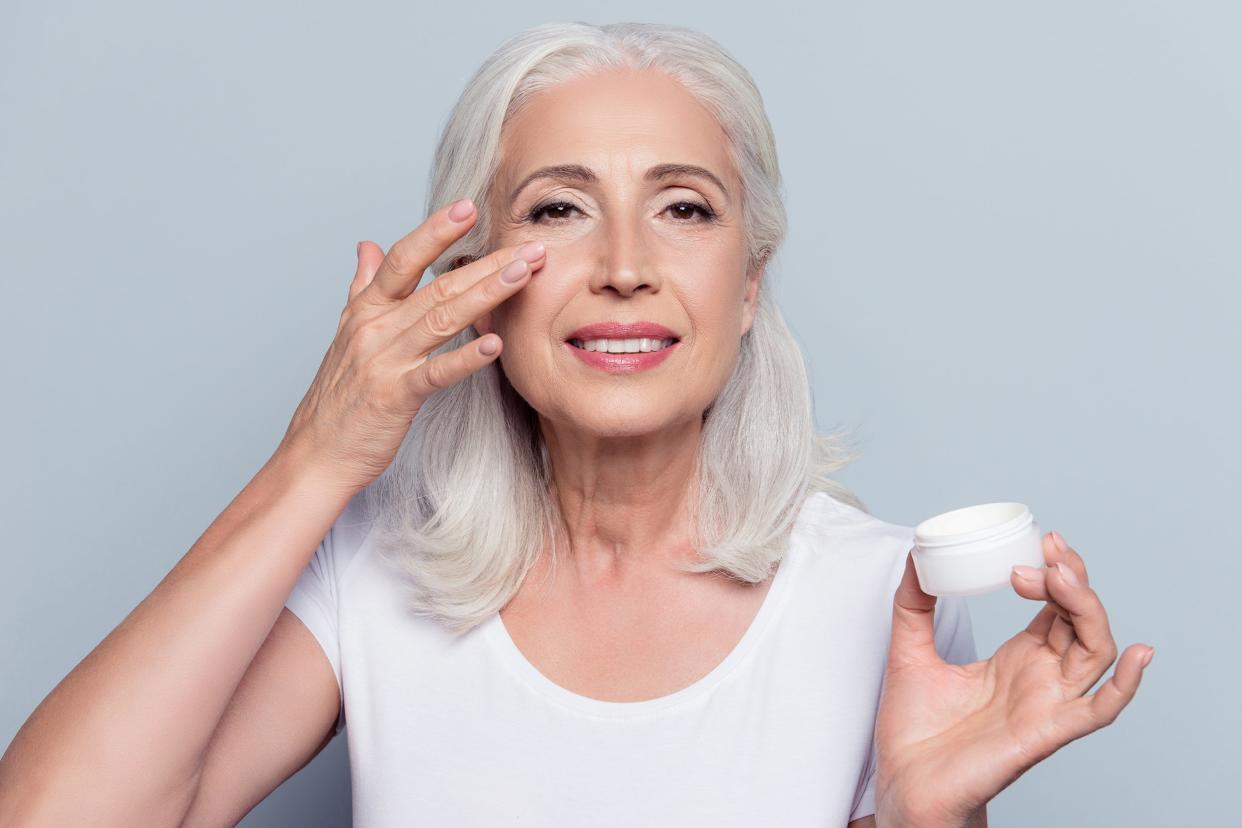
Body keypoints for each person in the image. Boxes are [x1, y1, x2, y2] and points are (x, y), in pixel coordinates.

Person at [0, 21, 1152, 828]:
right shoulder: (375, 577)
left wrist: (922, 821)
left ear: (750, 286)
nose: (624, 268)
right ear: (481, 272)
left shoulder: (885, 601)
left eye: (684, 209)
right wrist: (320, 455)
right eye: (559, 207)